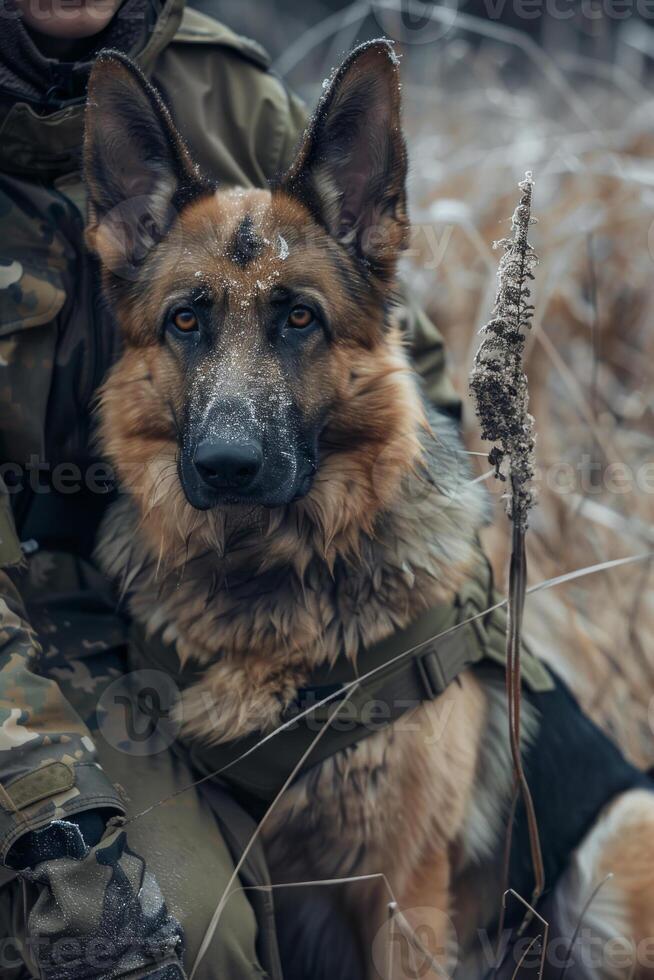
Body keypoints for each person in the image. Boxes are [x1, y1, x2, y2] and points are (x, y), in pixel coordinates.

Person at [0, 1, 461, 976]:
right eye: (191, 318)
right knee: (158, 943)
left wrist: (482, 634)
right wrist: (44, 807)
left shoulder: (228, 86)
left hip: (168, 580)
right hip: (30, 621)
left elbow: (386, 346)